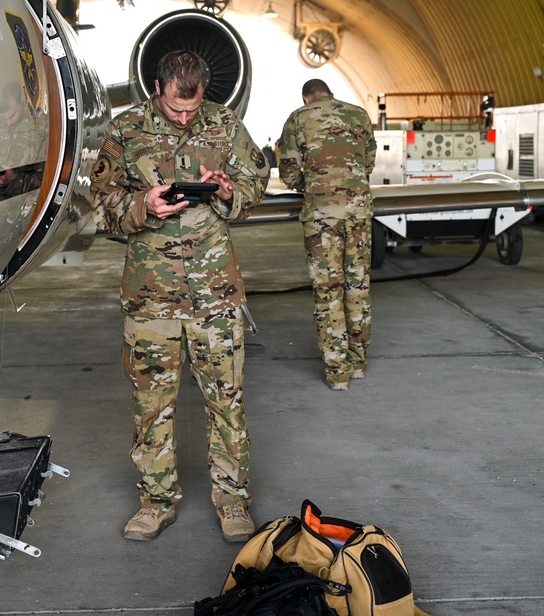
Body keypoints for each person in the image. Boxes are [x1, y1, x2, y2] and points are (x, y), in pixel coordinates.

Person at [90, 50, 270, 542]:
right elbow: (101, 206)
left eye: (192, 110)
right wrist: (141, 204)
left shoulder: (226, 124)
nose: (186, 117)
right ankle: (155, 503)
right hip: (152, 296)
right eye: (175, 109)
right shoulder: (126, 131)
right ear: (158, 87)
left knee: (226, 402)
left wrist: (232, 190)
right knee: (151, 405)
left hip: (216, 295)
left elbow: (258, 183)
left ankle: (233, 503)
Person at [276, 79, 376, 391]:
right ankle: (358, 362)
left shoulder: (298, 118)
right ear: (329, 93)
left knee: (328, 291)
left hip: (321, 217)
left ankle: (338, 374)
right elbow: (368, 162)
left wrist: (315, 184)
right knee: (357, 286)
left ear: (306, 98)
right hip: (358, 212)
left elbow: (289, 171)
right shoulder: (359, 114)